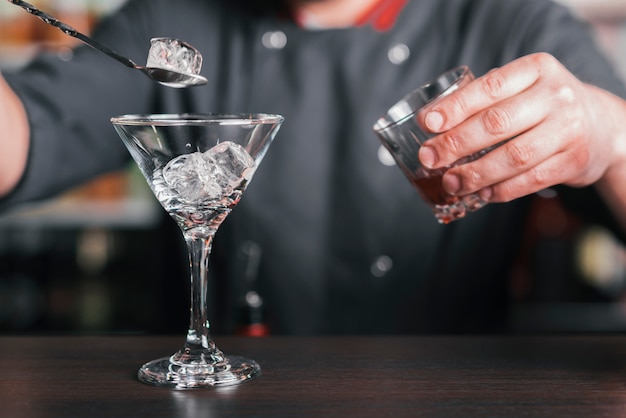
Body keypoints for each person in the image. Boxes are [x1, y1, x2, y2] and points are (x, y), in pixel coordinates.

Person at [1, 0, 625, 334]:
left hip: (452, 398)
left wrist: (612, 135)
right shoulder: (172, 21)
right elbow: (25, 133)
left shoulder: (509, 19)